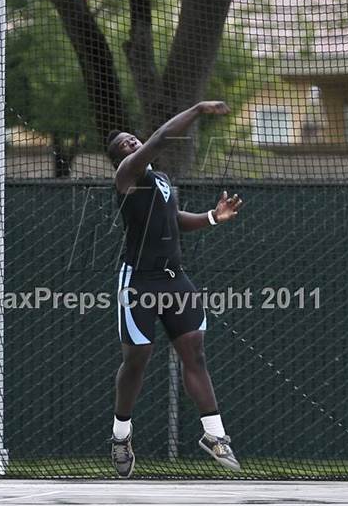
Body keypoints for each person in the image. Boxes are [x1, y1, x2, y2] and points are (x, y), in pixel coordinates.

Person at [106, 101, 243, 478]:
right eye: (123, 145)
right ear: (118, 159)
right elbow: (163, 136)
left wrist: (215, 217)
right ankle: (121, 435)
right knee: (138, 359)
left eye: (132, 139)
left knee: (194, 353)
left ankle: (214, 436)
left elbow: (175, 220)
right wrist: (198, 109)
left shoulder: (162, 180)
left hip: (174, 279)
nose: (131, 144)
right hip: (138, 280)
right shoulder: (127, 176)